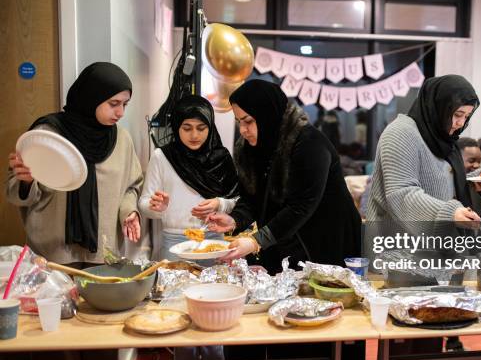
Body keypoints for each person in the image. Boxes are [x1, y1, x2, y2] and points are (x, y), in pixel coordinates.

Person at [366, 74, 481, 354]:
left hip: (438, 256)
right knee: (406, 342)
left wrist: (477, 190)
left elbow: (449, 190)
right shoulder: (402, 134)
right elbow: (401, 194)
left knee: (431, 343)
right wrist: (450, 211)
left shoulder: (442, 138)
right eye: (457, 114)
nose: (460, 123)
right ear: (439, 106)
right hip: (404, 258)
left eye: (466, 117)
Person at [206, 79, 362, 274]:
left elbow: (301, 206)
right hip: (285, 237)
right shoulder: (251, 148)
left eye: (248, 121)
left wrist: (256, 241)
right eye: (239, 122)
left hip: (326, 238)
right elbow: (251, 198)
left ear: (267, 116)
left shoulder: (309, 144)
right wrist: (235, 220)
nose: (243, 130)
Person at [6, 62, 143, 267]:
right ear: (91, 97)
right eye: (114, 104)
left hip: (103, 255)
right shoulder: (48, 135)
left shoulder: (122, 140)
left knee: (100, 299)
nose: (121, 112)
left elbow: (131, 187)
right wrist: (25, 182)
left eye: (125, 104)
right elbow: (18, 194)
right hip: (52, 256)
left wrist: (129, 212)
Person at [138, 95, 239, 261]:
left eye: (201, 128)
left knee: (214, 287)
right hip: (174, 244)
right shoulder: (162, 156)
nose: (194, 135)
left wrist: (219, 203)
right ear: (177, 126)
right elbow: (144, 203)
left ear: (210, 127)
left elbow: (238, 201)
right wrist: (157, 207)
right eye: (187, 128)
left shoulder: (221, 158)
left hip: (214, 243)